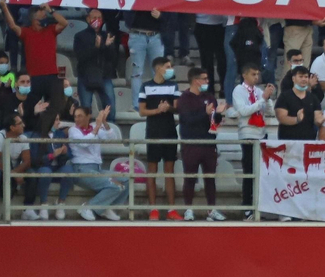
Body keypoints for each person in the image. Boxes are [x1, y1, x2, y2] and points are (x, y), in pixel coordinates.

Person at [175, 69, 226, 221]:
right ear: (196, 80)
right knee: (190, 177)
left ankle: (211, 209)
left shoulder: (210, 97)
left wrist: (219, 114)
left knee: (210, 178)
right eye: (204, 79)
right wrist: (204, 112)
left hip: (209, 143)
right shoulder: (184, 98)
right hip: (191, 143)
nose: (207, 82)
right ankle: (188, 209)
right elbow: (187, 119)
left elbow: (214, 121)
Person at [136, 56, 181, 220]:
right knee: (152, 172)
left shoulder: (173, 86)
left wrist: (168, 107)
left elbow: (178, 109)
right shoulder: (145, 86)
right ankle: (153, 209)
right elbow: (142, 111)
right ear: (158, 68)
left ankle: (171, 210)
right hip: (153, 132)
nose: (170, 69)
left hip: (170, 131)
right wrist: (157, 110)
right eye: (167, 67)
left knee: (169, 172)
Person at [64, 104, 127, 221]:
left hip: (97, 169)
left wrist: (104, 122)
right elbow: (84, 143)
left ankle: (105, 207)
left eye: (80, 116)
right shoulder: (73, 130)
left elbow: (112, 139)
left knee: (126, 179)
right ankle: (88, 207)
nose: (77, 119)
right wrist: (97, 126)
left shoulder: (94, 127)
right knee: (115, 186)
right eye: (75, 116)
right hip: (81, 169)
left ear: (89, 116)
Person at [230, 63, 273, 216]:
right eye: (253, 74)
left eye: (257, 74)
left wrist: (267, 99)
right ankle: (247, 206)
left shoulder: (259, 91)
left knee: (261, 172)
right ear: (245, 75)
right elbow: (244, 111)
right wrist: (262, 100)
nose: (256, 77)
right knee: (249, 171)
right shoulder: (238, 90)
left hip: (262, 133)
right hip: (248, 134)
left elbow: (270, 111)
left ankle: (260, 204)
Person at [274, 65, 322, 141]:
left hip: (308, 141)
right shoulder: (284, 96)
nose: (304, 79)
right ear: (293, 78)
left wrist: (319, 121)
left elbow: (317, 118)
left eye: (306, 77)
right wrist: (297, 120)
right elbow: (281, 118)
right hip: (288, 140)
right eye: (300, 76)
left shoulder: (313, 98)